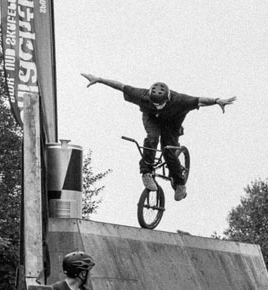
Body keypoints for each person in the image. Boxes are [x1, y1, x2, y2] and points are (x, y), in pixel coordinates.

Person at [81, 73, 236, 201]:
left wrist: (217, 101)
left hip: (172, 123)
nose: (157, 106)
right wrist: (100, 80)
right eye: (154, 103)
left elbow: (200, 100)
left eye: (159, 104)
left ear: (167, 99)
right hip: (151, 119)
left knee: (168, 150)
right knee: (151, 139)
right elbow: (120, 86)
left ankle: (180, 183)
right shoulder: (142, 95)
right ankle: (146, 172)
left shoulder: (180, 100)